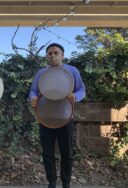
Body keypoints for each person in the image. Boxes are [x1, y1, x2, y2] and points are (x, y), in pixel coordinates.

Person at [29, 43, 86, 188]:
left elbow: (81, 90)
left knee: (67, 153)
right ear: (46, 56)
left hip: (65, 117)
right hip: (45, 117)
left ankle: (66, 183)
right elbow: (33, 91)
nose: (53, 55)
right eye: (50, 53)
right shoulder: (41, 73)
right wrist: (33, 99)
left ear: (62, 55)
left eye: (56, 53)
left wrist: (76, 96)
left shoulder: (72, 71)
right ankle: (52, 182)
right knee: (47, 154)